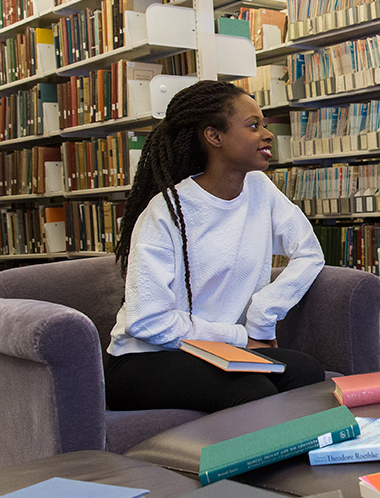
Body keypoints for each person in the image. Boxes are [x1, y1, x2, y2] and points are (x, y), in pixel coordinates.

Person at [104, 80, 326, 413]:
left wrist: (263, 315)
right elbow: (145, 321)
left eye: (264, 125)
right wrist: (238, 338)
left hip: (218, 351)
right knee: (252, 390)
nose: (267, 134)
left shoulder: (259, 189)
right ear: (214, 136)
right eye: (254, 126)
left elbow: (308, 251)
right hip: (144, 358)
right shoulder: (166, 212)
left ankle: (309, 460)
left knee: (306, 372)